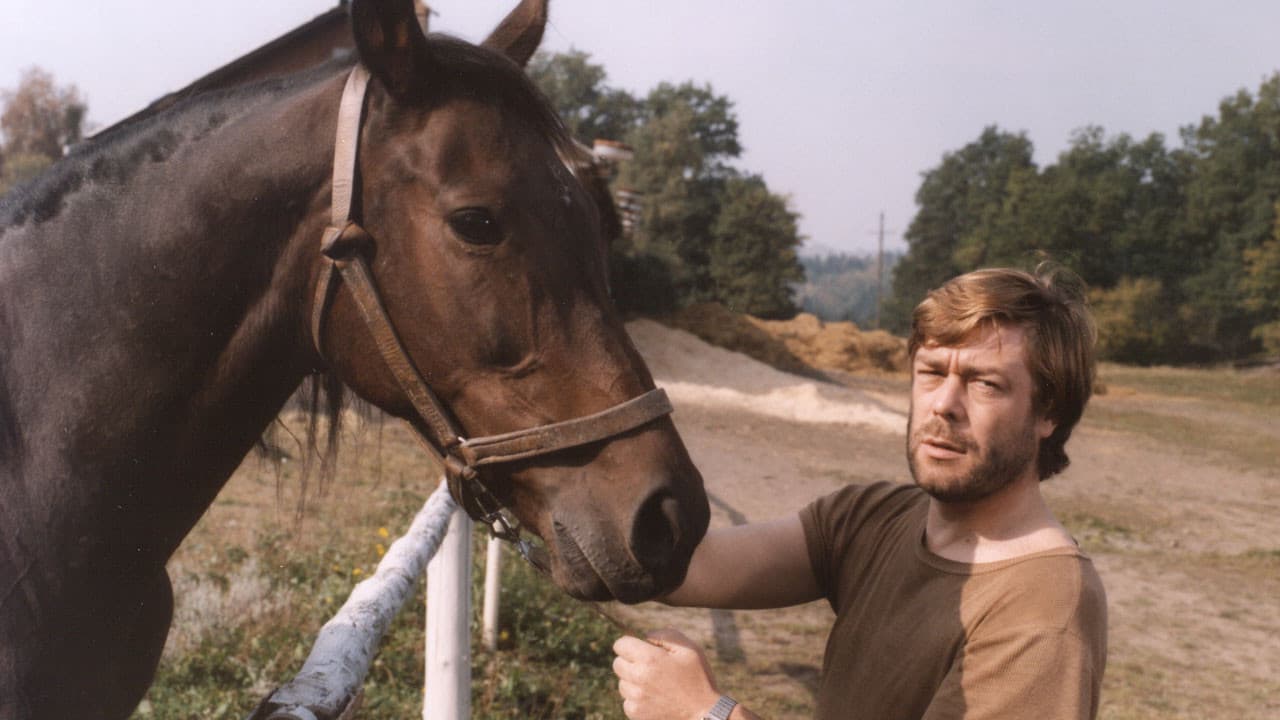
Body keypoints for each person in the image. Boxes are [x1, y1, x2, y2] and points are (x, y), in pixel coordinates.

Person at [612, 266, 1108, 720]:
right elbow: (685, 567)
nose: (944, 405)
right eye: (932, 371)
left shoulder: (1045, 607)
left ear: (1049, 414)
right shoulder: (874, 518)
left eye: (985, 384)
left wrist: (705, 713)